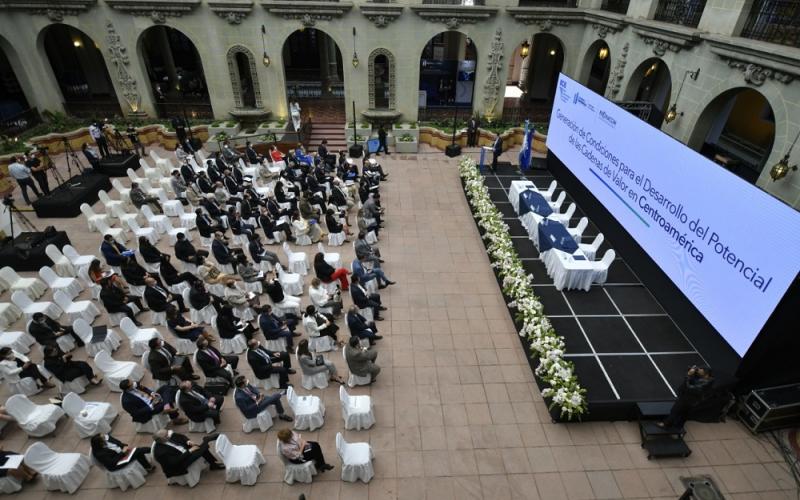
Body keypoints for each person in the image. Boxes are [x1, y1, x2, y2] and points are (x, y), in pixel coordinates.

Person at [152, 430, 224, 479]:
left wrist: (188, 441)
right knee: (202, 449)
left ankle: (206, 442)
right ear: (162, 439)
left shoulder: (167, 437)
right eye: (166, 435)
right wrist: (189, 451)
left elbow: (181, 436)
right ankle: (206, 441)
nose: (169, 435)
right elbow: (175, 462)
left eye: (167, 433)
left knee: (200, 448)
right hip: (180, 464)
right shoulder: (160, 452)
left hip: (184, 451)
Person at [120, 379, 187, 425]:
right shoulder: (126, 401)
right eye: (132, 384)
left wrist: (152, 393)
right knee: (165, 401)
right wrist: (151, 405)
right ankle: (175, 419)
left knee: (165, 388)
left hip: (150, 399)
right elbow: (136, 413)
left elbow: (145, 389)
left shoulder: (135, 385)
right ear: (128, 388)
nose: (134, 383)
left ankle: (167, 406)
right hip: (148, 409)